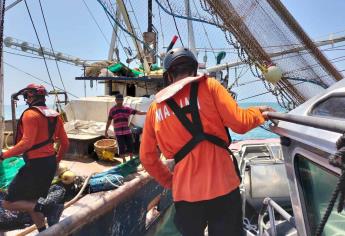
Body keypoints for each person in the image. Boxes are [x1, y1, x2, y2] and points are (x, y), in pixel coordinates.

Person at [140, 47, 275, 236]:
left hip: (186, 195)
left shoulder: (155, 109)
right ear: (194, 70)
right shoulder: (210, 86)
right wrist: (260, 113)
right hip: (224, 188)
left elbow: (147, 158)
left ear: (169, 76)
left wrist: (171, 181)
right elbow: (240, 123)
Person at [0, 84, 69, 232]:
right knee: (31, 202)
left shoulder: (30, 114)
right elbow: (65, 143)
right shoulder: (55, 115)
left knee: (7, 203)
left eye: (26, 96)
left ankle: (49, 208)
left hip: (35, 166)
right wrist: (56, 161)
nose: (26, 99)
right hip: (49, 163)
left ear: (31, 96)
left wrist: (3, 156)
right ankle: (43, 230)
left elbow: (27, 143)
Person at [105, 94, 146, 162]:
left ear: (123, 100)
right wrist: (106, 131)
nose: (119, 101)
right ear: (115, 100)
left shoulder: (127, 109)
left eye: (121, 99)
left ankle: (131, 159)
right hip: (118, 132)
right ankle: (124, 160)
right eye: (118, 100)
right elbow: (109, 121)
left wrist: (147, 112)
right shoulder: (112, 110)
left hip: (127, 131)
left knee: (130, 145)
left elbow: (137, 112)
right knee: (121, 147)